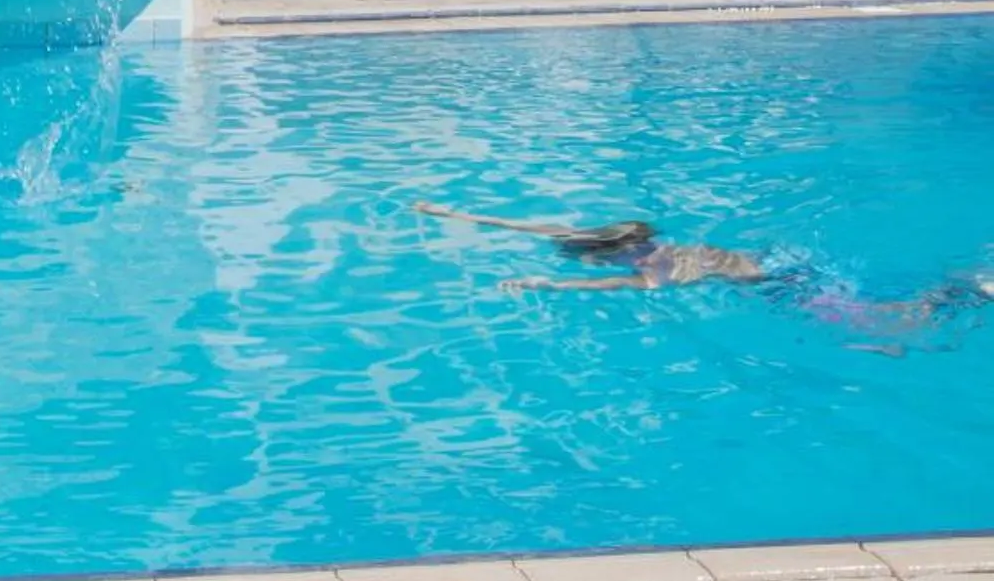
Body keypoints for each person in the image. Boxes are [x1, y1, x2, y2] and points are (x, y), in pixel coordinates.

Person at [413, 200, 994, 320]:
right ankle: (960, 290)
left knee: (885, 319)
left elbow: (612, 286)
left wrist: (544, 284)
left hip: (784, 286)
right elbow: (524, 225)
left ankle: (961, 293)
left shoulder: (655, 269)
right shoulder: (659, 249)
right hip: (782, 265)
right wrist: (449, 214)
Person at [412, 199, 771, 292]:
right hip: (760, 262)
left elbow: (599, 285)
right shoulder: (652, 247)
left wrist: (545, 283)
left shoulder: (649, 274)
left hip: (762, 283)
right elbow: (513, 224)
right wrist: (449, 214)